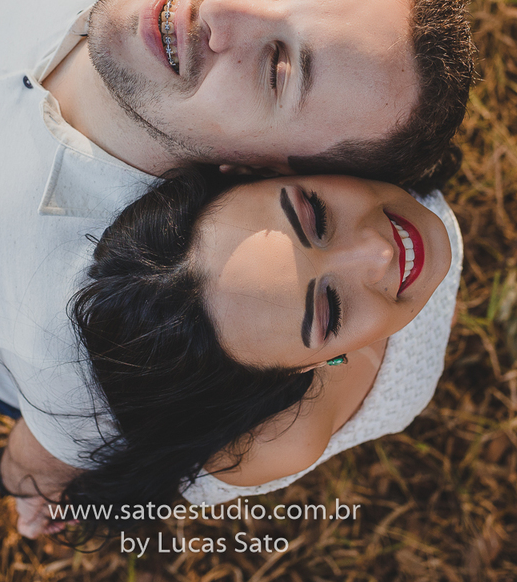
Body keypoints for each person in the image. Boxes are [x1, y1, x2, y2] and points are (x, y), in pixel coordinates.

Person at [0, 0, 475, 534]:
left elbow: (43, 462)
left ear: (261, 172)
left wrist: (25, 482)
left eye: (276, 72)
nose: (219, 5)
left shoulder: (82, 351)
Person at [60, 166, 461, 536]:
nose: (380, 251)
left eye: (317, 216)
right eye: (331, 311)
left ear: (256, 166)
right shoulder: (286, 440)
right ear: (305, 368)